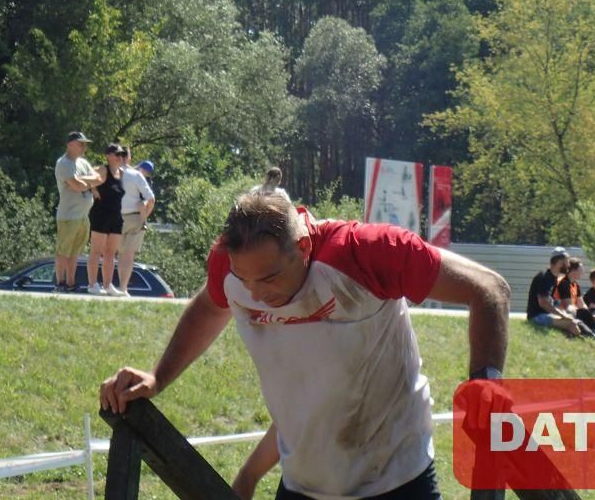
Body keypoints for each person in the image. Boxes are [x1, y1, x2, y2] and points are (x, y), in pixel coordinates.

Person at [101, 191, 510, 500]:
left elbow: (489, 289)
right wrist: (158, 377)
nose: (256, 294)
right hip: (303, 488)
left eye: (269, 278)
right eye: (245, 280)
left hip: (396, 480)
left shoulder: (367, 252)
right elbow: (210, 308)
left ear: (302, 247)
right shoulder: (231, 266)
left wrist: (485, 385)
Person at [54, 131, 101, 291]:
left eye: (85, 144)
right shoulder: (63, 163)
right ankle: (60, 282)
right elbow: (76, 186)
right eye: (81, 144)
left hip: (83, 216)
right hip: (68, 216)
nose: (84, 147)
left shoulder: (83, 163)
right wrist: (87, 183)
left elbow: (98, 179)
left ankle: (70, 283)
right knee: (63, 251)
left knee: (74, 253)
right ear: (70, 144)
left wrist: (84, 181)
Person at [87, 144, 127, 296]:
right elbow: (88, 177)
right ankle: (92, 284)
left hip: (116, 216)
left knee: (111, 252)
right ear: (108, 156)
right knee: (96, 251)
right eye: (117, 154)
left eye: (121, 155)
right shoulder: (103, 170)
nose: (119, 157)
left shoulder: (121, 173)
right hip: (101, 215)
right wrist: (94, 189)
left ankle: (108, 284)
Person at [117, 153, 156, 297]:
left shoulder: (114, 173)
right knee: (127, 254)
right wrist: (144, 217)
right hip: (135, 216)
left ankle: (120, 287)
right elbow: (150, 200)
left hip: (119, 216)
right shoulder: (137, 176)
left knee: (121, 254)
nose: (145, 172)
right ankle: (123, 288)